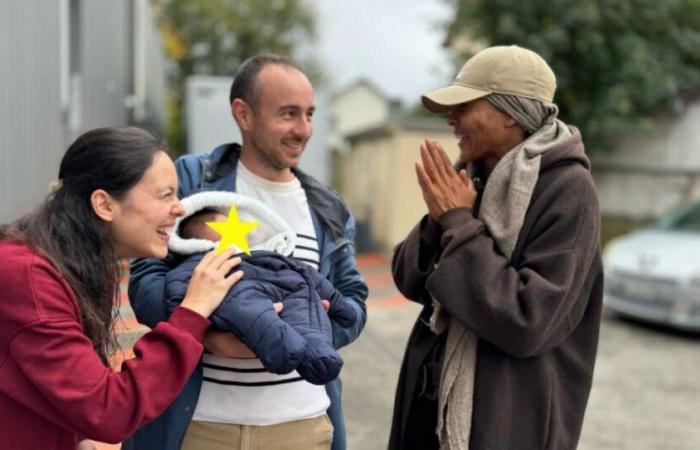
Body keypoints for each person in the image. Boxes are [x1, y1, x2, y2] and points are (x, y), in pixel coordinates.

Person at [125, 54, 368, 450]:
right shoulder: (190, 180)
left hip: (300, 428)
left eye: (309, 114)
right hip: (201, 426)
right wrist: (211, 335)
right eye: (288, 114)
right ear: (244, 114)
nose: (303, 129)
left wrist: (309, 333)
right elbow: (146, 281)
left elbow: (354, 300)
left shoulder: (328, 208)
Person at [389, 45, 604, 450]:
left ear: (510, 113)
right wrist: (440, 219)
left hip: (506, 424)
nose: (451, 119)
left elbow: (527, 322)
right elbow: (409, 279)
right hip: (428, 410)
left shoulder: (569, 190)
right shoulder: (473, 177)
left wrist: (457, 222)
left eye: (465, 106)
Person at [0, 126, 243, 450]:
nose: (180, 208)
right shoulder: (27, 277)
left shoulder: (74, 265)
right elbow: (109, 410)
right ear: (105, 204)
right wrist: (193, 312)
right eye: (164, 195)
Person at [164, 191, 357, 384]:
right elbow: (177, 290)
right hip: (239, 296)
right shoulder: (201, 264)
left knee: (305, 312)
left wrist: (338, 304)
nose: (234, 232)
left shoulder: (266, 253)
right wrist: (198, 330)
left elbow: (305, 272)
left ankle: (320, 357)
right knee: (250, 311)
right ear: (196, 241)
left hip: (289, 294)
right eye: (222, 228)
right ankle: (282, 349)